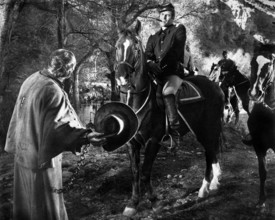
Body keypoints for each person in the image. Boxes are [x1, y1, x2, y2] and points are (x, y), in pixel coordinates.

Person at [4, 49, 106, 220]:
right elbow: (59, 129)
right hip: (41, 160)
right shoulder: (52, 90)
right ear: (69, 70)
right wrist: (86, 136)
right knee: (45, 208)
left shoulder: (32, 78)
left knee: (25, 207)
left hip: (22, 155)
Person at [145, 2, 186, 137]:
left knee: (168, 93)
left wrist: (161, 67)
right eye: (162, 15)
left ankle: (174, 128)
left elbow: (176, 51)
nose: (164, 18)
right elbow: (148, 55)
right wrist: (150, 64)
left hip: (172, 72)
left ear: (172, 17)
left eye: (167, 15)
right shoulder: (153, 36)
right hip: (155, 74)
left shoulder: (179, 30)